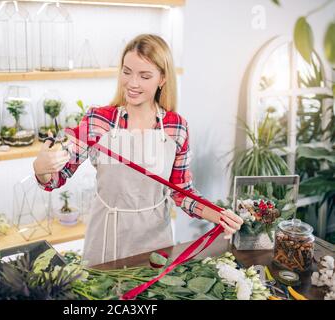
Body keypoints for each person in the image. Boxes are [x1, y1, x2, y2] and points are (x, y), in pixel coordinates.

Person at [33, 34, 243, 266]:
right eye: (127, 72)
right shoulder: (97, 120)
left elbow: (181, 191)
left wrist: (218, 215)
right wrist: (42, 168)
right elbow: (57, 177)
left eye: (144, 76)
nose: (132, 83)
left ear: (162, 79)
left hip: (155, 241)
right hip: (106, 238)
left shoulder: (176, 127)